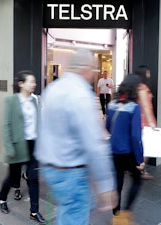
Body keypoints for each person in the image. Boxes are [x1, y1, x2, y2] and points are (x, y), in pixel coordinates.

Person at [35, 49, 117, 225]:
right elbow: (93, 144)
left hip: (51, 169)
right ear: (86, 68)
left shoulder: (53, 88)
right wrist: (105, 184)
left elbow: (43, 127)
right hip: (72, 173)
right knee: (76, 213)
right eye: (94, 70)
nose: (94, 75)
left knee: (69, 210)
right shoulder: (80, 95)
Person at [0, 70, 45, 223]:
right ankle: (2, 198)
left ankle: (34, 211)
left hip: (33, 145)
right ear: (21, 84)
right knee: (13, 177)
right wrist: (9, 147)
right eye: (31, 81)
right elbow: (6, 125)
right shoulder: (11, 101)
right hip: (18, 145)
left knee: (33, 178)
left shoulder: (36, 100)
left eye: (35, 81)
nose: (34, 84)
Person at [106, 74, 145, 224]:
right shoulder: (134, 107)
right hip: (128, 152)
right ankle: (125, 213)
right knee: (137, 180)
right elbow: (136, 136)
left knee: (117, 182)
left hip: (113, 150)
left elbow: (108, 127)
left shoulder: (111, 104)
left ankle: (116, 215)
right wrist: (140, 159)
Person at [134, 65, 157, 180]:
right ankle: (140, 170)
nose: (149, 74)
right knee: (147, 148)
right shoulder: (142, 88)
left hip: (141, 120)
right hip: (144, 121)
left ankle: (138, 168)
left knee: (144, 147)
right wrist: (151, 123)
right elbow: (145, 106)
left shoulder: (138, 87)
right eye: (147, 72)